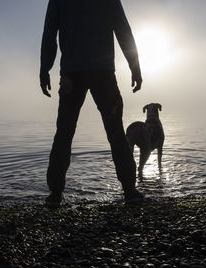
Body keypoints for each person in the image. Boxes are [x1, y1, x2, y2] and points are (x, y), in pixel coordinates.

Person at [40, 0, 143, 208]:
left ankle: (55, 194)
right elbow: (122, 28)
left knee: (64, 133)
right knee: (115, 131)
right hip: (102, 73)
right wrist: (135, 66)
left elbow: (49, 33)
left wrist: (45, 68)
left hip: (72, 74)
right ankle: (130, 190)